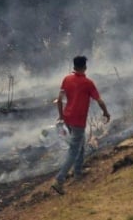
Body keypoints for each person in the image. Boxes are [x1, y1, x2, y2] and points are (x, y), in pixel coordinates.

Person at [51, 56, 110, 195]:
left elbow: (59, 100)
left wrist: (61, 115)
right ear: (85, 67)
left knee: (80, 143)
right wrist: (106, 113)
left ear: (74, 66)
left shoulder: (67, 79)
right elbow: (99, 101)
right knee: (73, 150)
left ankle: (78, 172)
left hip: (68, 118)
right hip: (78, 121)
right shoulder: (88, 83)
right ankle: (59, 180)